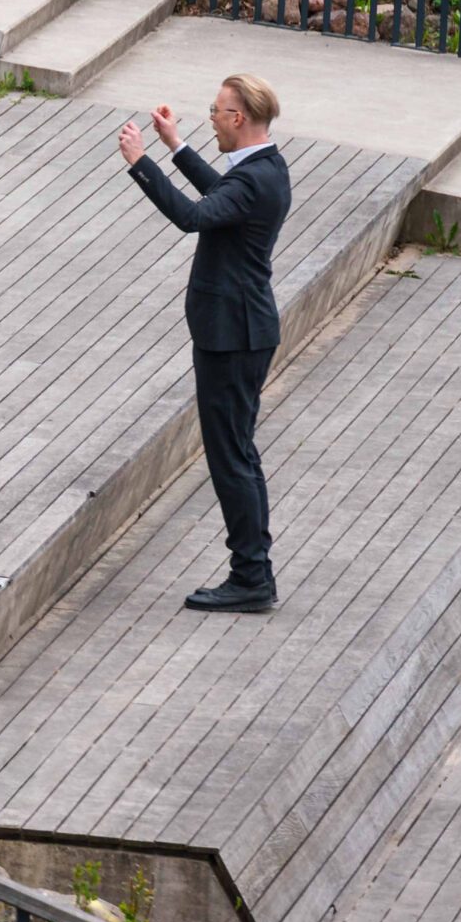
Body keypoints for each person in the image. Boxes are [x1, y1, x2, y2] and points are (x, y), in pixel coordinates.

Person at [119, 77, 291, 614]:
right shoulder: (265, 168)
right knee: (237, 451)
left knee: (231, 457)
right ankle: (252, 571)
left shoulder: (255, 181)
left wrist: (140, 163)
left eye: (216, 112)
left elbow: (194, 216)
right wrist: (175, 145)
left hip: (232, 338)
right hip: (238, 332)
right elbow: (220, 196)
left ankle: (251, 577)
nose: (211, 118)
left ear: (239, 119)